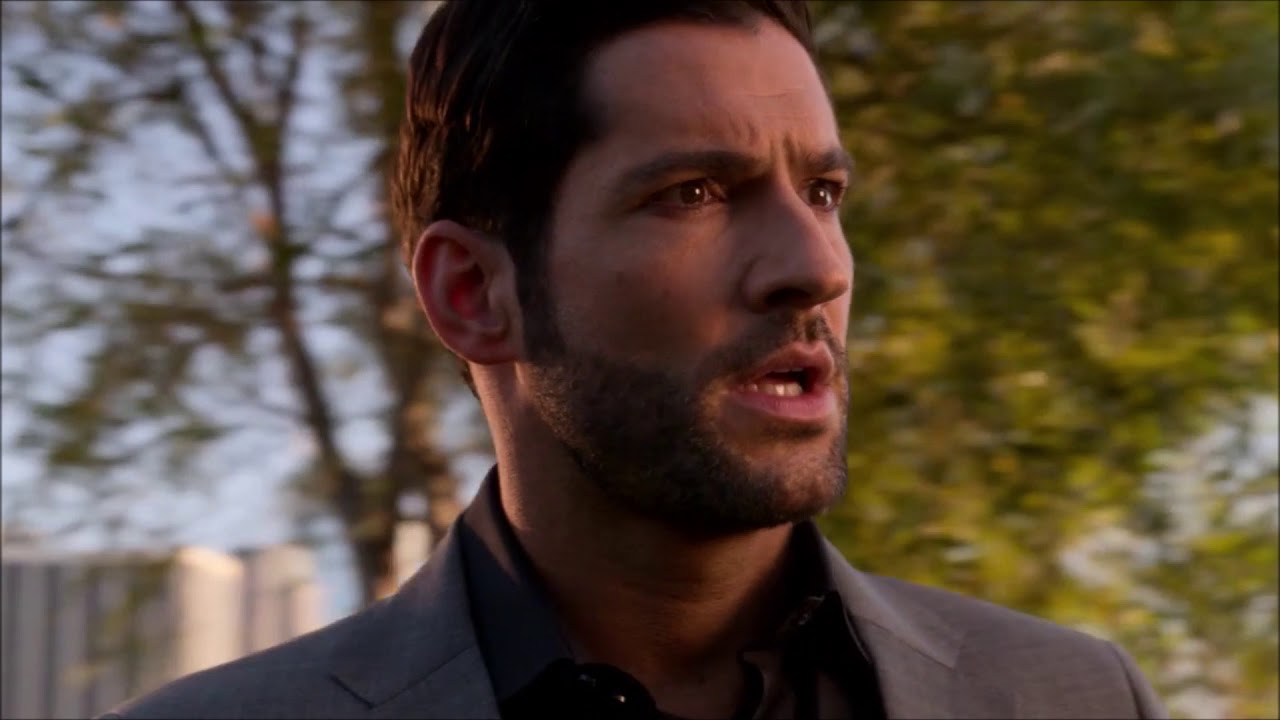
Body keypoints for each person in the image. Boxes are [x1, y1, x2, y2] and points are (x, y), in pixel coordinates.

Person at [103, 2, 1168, 718]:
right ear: (474, 294)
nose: (813, 266)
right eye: (692, 194)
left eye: (822, 193)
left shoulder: (1074, 698)